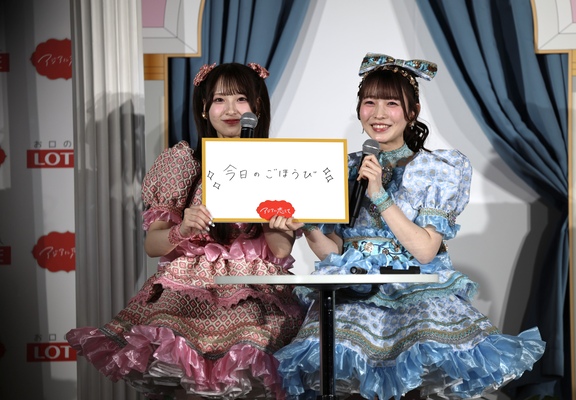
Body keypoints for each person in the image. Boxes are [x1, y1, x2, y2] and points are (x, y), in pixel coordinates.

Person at [274, 53, 546, 400]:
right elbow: (334, 252)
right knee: (344, 384)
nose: (378, 114)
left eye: (391, 103)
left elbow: (425, 250)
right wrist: (308, 228)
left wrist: (379, 195)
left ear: (412, 112)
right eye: (369, 103)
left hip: (413, 293)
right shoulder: (342, 167)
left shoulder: (435, 169)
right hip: (353, 293)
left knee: (411, 384)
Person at [67, 62, 306, 400]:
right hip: (191, 293)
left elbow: (280, 250)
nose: (231, 109)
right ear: (205, 109)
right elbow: (153, 244)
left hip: (255, 295)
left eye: (241, 99)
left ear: (257, 106)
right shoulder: (184, 163)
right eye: (219, 100)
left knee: (254, 387)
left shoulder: (279, 165)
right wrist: (182, 229)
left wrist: (273, 218)